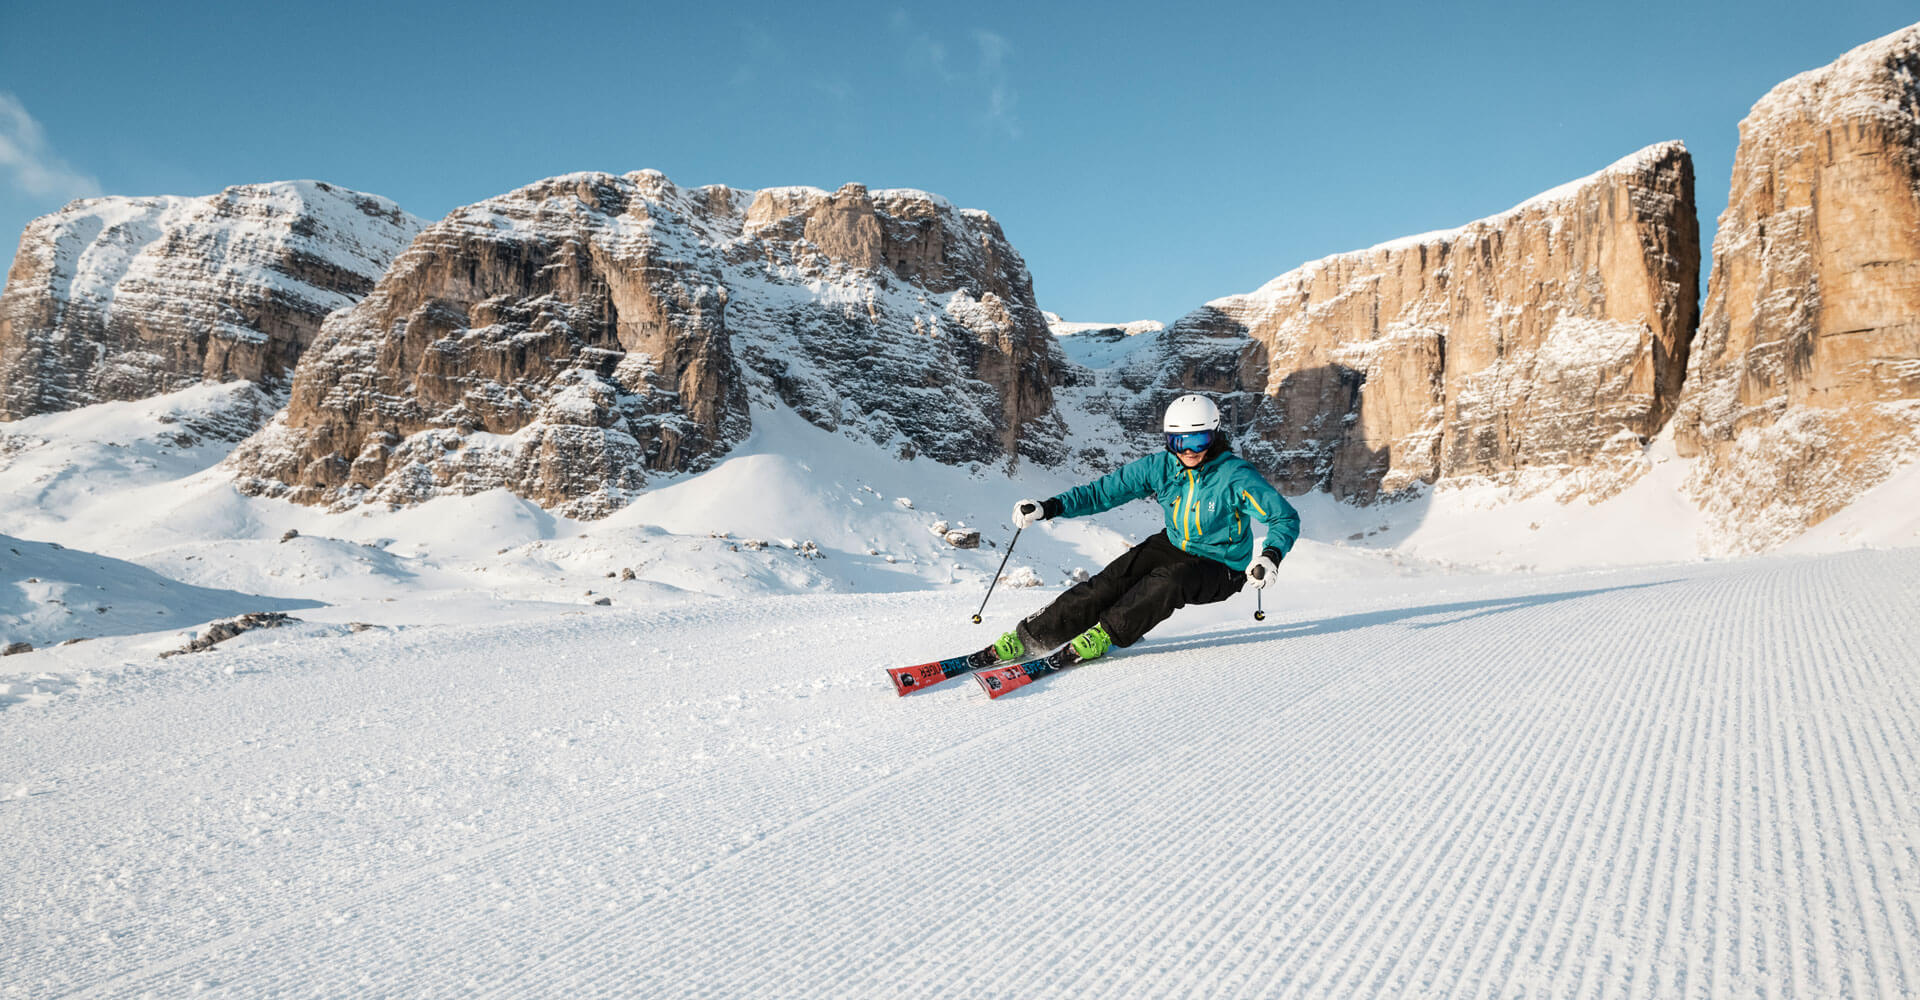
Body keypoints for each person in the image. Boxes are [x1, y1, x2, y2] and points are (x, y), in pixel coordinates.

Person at [974, 393, 1300, 670]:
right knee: (1108, 583)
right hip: (1175, 543)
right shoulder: (1161, 467)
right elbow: (1104, 492)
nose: (1188, 451)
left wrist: (1270, 556)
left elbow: (1283, 518)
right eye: (1178, 442)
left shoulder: (1234, 476)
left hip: (1223, 565)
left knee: (1171, 580)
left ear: (1214, 436)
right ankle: (1032, 637)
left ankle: (1105, 635)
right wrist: (1050, 507)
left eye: (1197, 440)